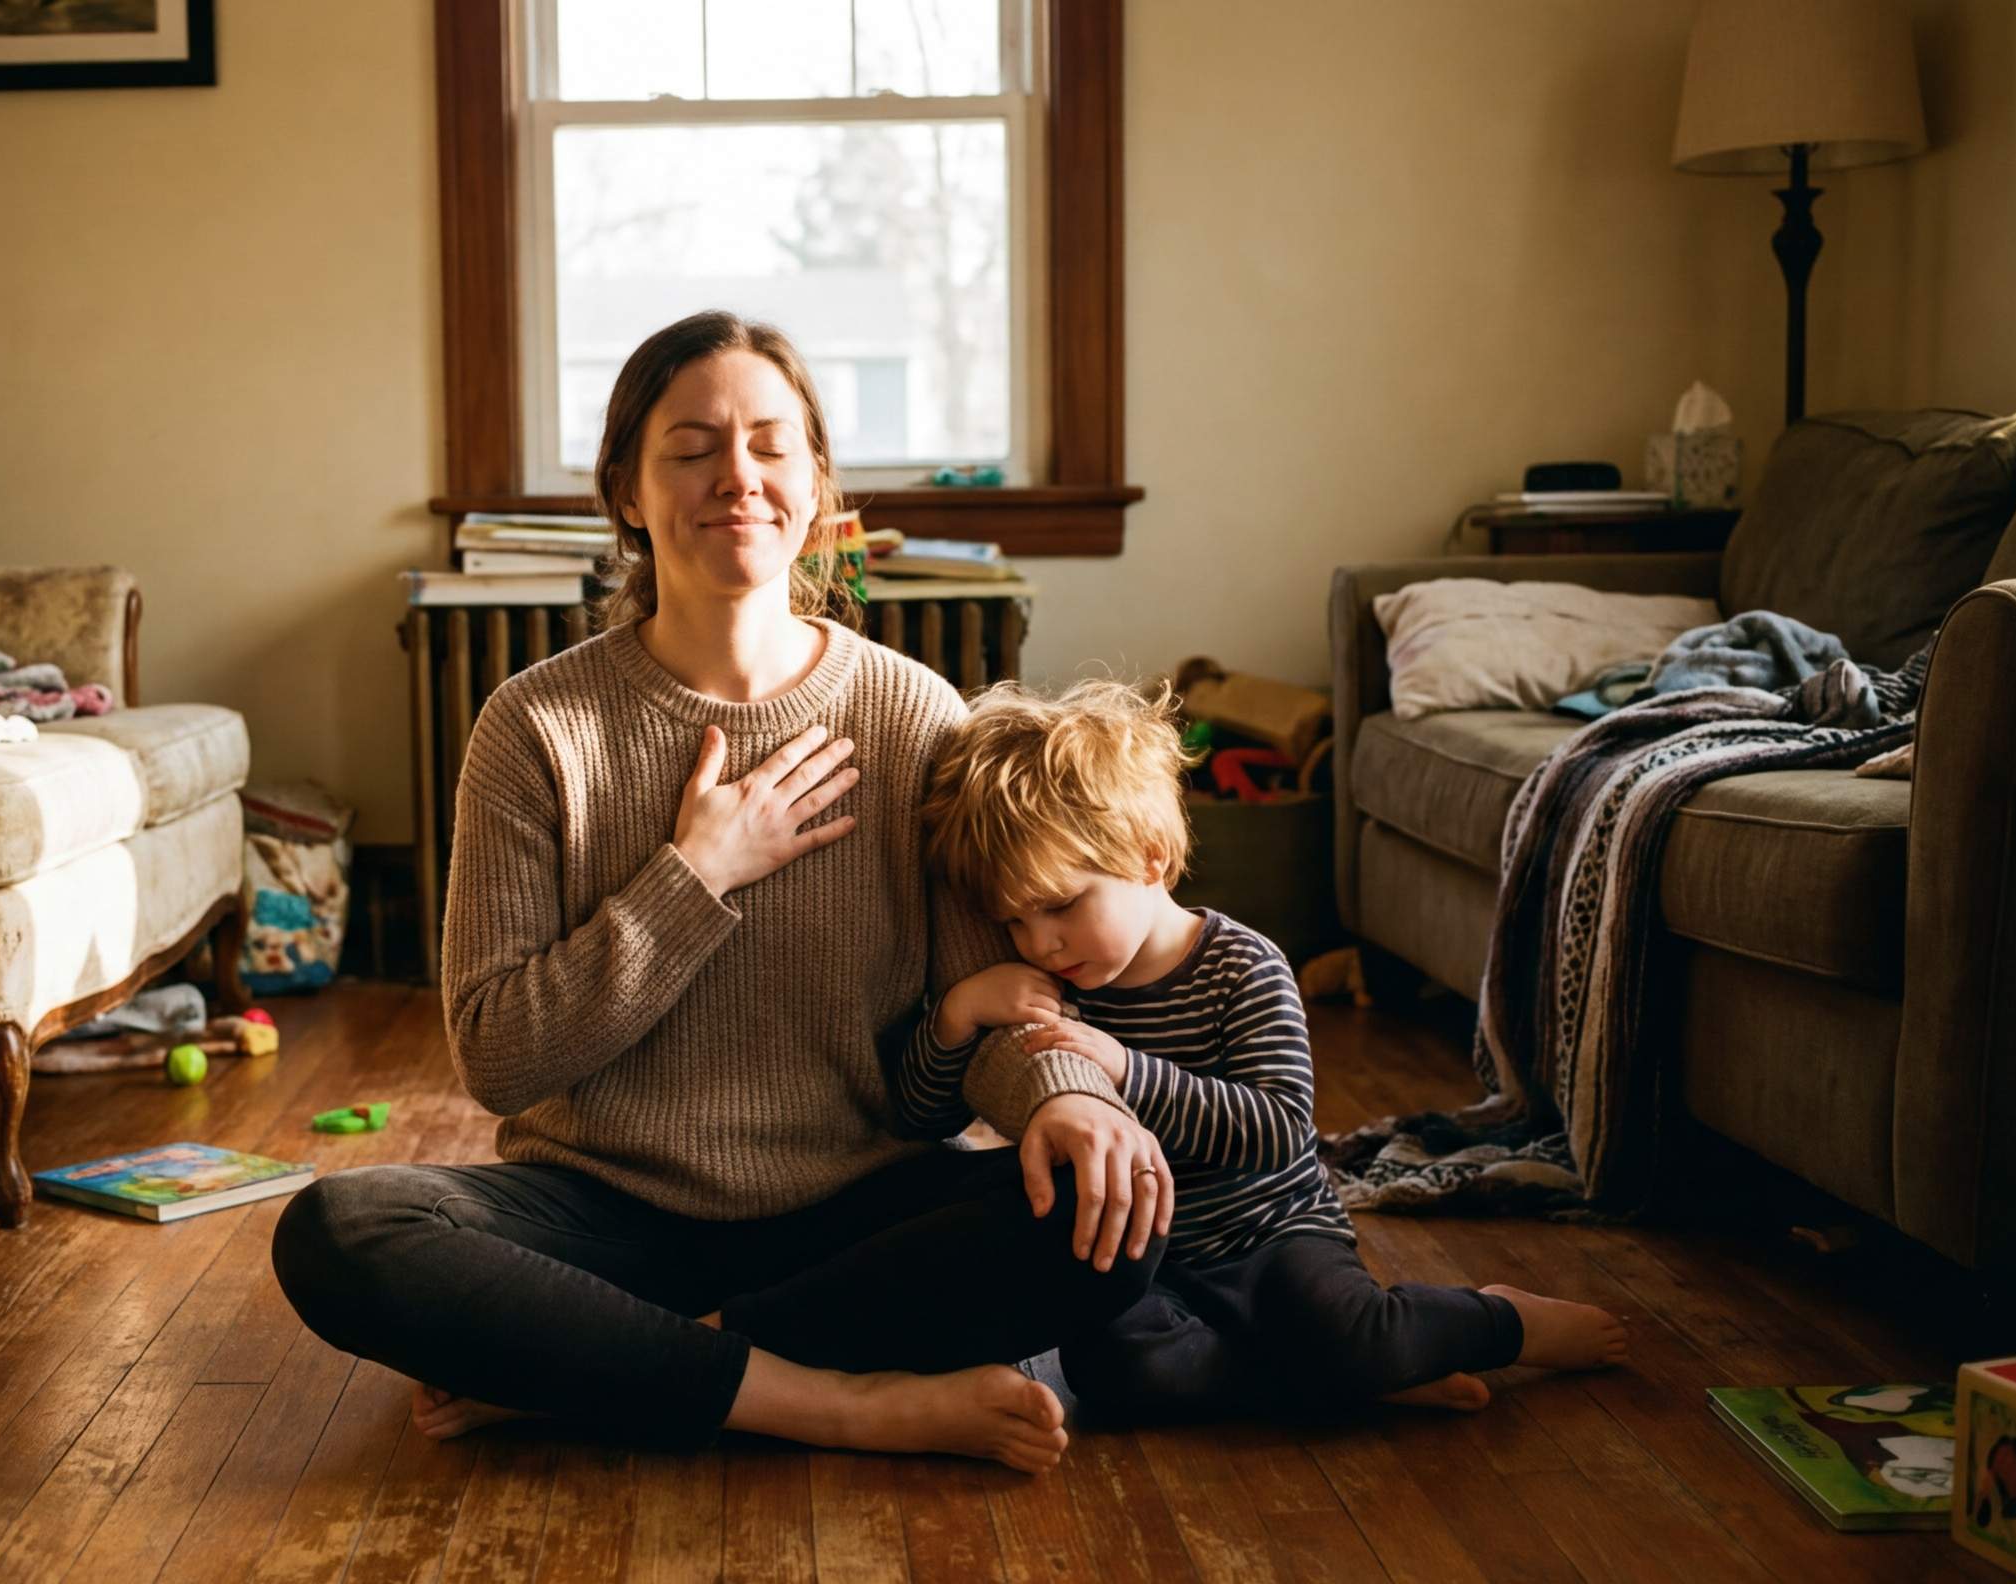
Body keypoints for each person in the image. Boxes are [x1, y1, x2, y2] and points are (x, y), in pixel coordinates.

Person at [269, 311, 1170, 1473]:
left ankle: (615, 1372)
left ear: (814, 485)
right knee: (340, 1230)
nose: (734, 477)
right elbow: (497, 1055)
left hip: (851, 1211)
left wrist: (1061, 1096)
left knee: (1114, 1210)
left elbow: (984, 1003)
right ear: (628, 495)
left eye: (768, 444)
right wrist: (695, 875)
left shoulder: (912, 718)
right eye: (690, 448)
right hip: (605, 1216)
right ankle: (839, 1403)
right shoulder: (536, 727)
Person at [911, 678, 1630, 1421]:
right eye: (1014, 921)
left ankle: (1500, 1322)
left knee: (1355, 1331)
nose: (1041, 942)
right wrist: (955, 1018)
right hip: (1144, 1262)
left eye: (1061, 905)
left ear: (1151, 857)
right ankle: (1346, 1379)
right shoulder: (1043, 983)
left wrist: (1125, 1068)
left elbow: (1278, 1129)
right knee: (1116, 1371)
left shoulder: (1242, 966)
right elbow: (920, 1114)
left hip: (1272, 1232)